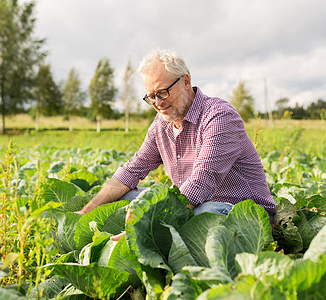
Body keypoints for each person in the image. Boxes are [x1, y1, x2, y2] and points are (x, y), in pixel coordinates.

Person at [76, 49, 276, 239]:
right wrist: (86, 212)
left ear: (186, 82)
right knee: (123, 200)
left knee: (205, 213)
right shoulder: (161, 125)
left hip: (241, 214)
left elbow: (200, 183)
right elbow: (131, 170)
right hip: (190, 205)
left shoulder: (219, 117)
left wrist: (146, 229)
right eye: (151, 97)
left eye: (162, 92)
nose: (158, 103)